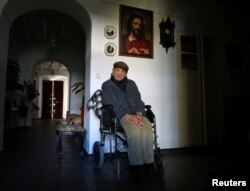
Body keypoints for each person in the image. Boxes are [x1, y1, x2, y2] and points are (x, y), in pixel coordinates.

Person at [101, 61, 160, 182]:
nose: (119, 73)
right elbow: (109, 103)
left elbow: (139, 100)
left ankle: (148, 165)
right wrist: (128, 116)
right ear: (113, 71)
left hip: (136, 114)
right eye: (117, 70)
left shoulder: (132, 84)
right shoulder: (107, 85)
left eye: (123, 71)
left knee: (147, 128)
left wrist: (139, 114)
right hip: (120, 116)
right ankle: (136, 167)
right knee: (134, 131)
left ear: (126, 74)